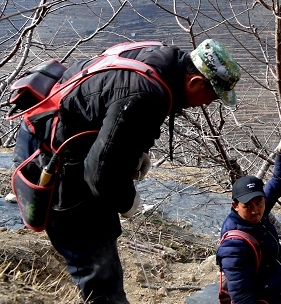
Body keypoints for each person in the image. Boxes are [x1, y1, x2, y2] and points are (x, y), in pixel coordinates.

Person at [43, 38, 242, 303]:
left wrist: (134, 150)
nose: (207, 104)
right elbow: (100, 175)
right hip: (59, 164)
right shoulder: (147, 93)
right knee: (98, 265)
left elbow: (111, 110)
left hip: (72, 149)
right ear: (195, 83)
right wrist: (127, 200)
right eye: (212, 96)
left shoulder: (157, 62)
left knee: (102, 250)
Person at [216, 132, 281, 304]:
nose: (255, 211)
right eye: (247, 206)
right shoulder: (234, 246)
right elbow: (242, 298)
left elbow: (277, 181)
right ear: (235, 206)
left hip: (270, 293)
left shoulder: (256, 215)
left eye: (259, 203)